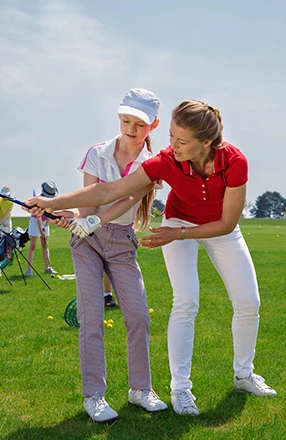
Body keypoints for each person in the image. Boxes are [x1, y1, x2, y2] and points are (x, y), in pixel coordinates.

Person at [25, 99, 277, 416]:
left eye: (182, 141)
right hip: (179, 221)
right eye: (171, 137)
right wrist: (52, 202)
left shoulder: (235, 161)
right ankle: (181, 390)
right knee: (186, 301)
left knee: (249, 302)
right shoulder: (165, 161)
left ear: (207, 143)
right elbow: (108, 192)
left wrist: (178, 236)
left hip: (218, 228)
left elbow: (227, 223)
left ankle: (244, 375)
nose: (172, 146)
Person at [46, 88, 168, 423]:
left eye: (139, 124)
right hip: (87, 241)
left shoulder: (152, 165)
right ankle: (94, 396)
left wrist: (93, 219)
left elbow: (125, 199)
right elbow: (88, 200)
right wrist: (68, 215)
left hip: (121, 241)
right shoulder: (96, 153)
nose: (131, 128)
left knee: (138, 315)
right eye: (126, 120)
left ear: (153, 125)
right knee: (91, 318)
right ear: (119, 117)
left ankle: (140, 390)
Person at [25, 181, 58, 277]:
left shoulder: (52, 201)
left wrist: (46, 226)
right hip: (35, 221)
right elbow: (38, 216)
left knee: (45, 246)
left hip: (45, 223)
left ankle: (48, 267)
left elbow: (50, 214)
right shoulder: (38, 200)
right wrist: (40, 231)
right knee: (33, 246)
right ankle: (29, 269)